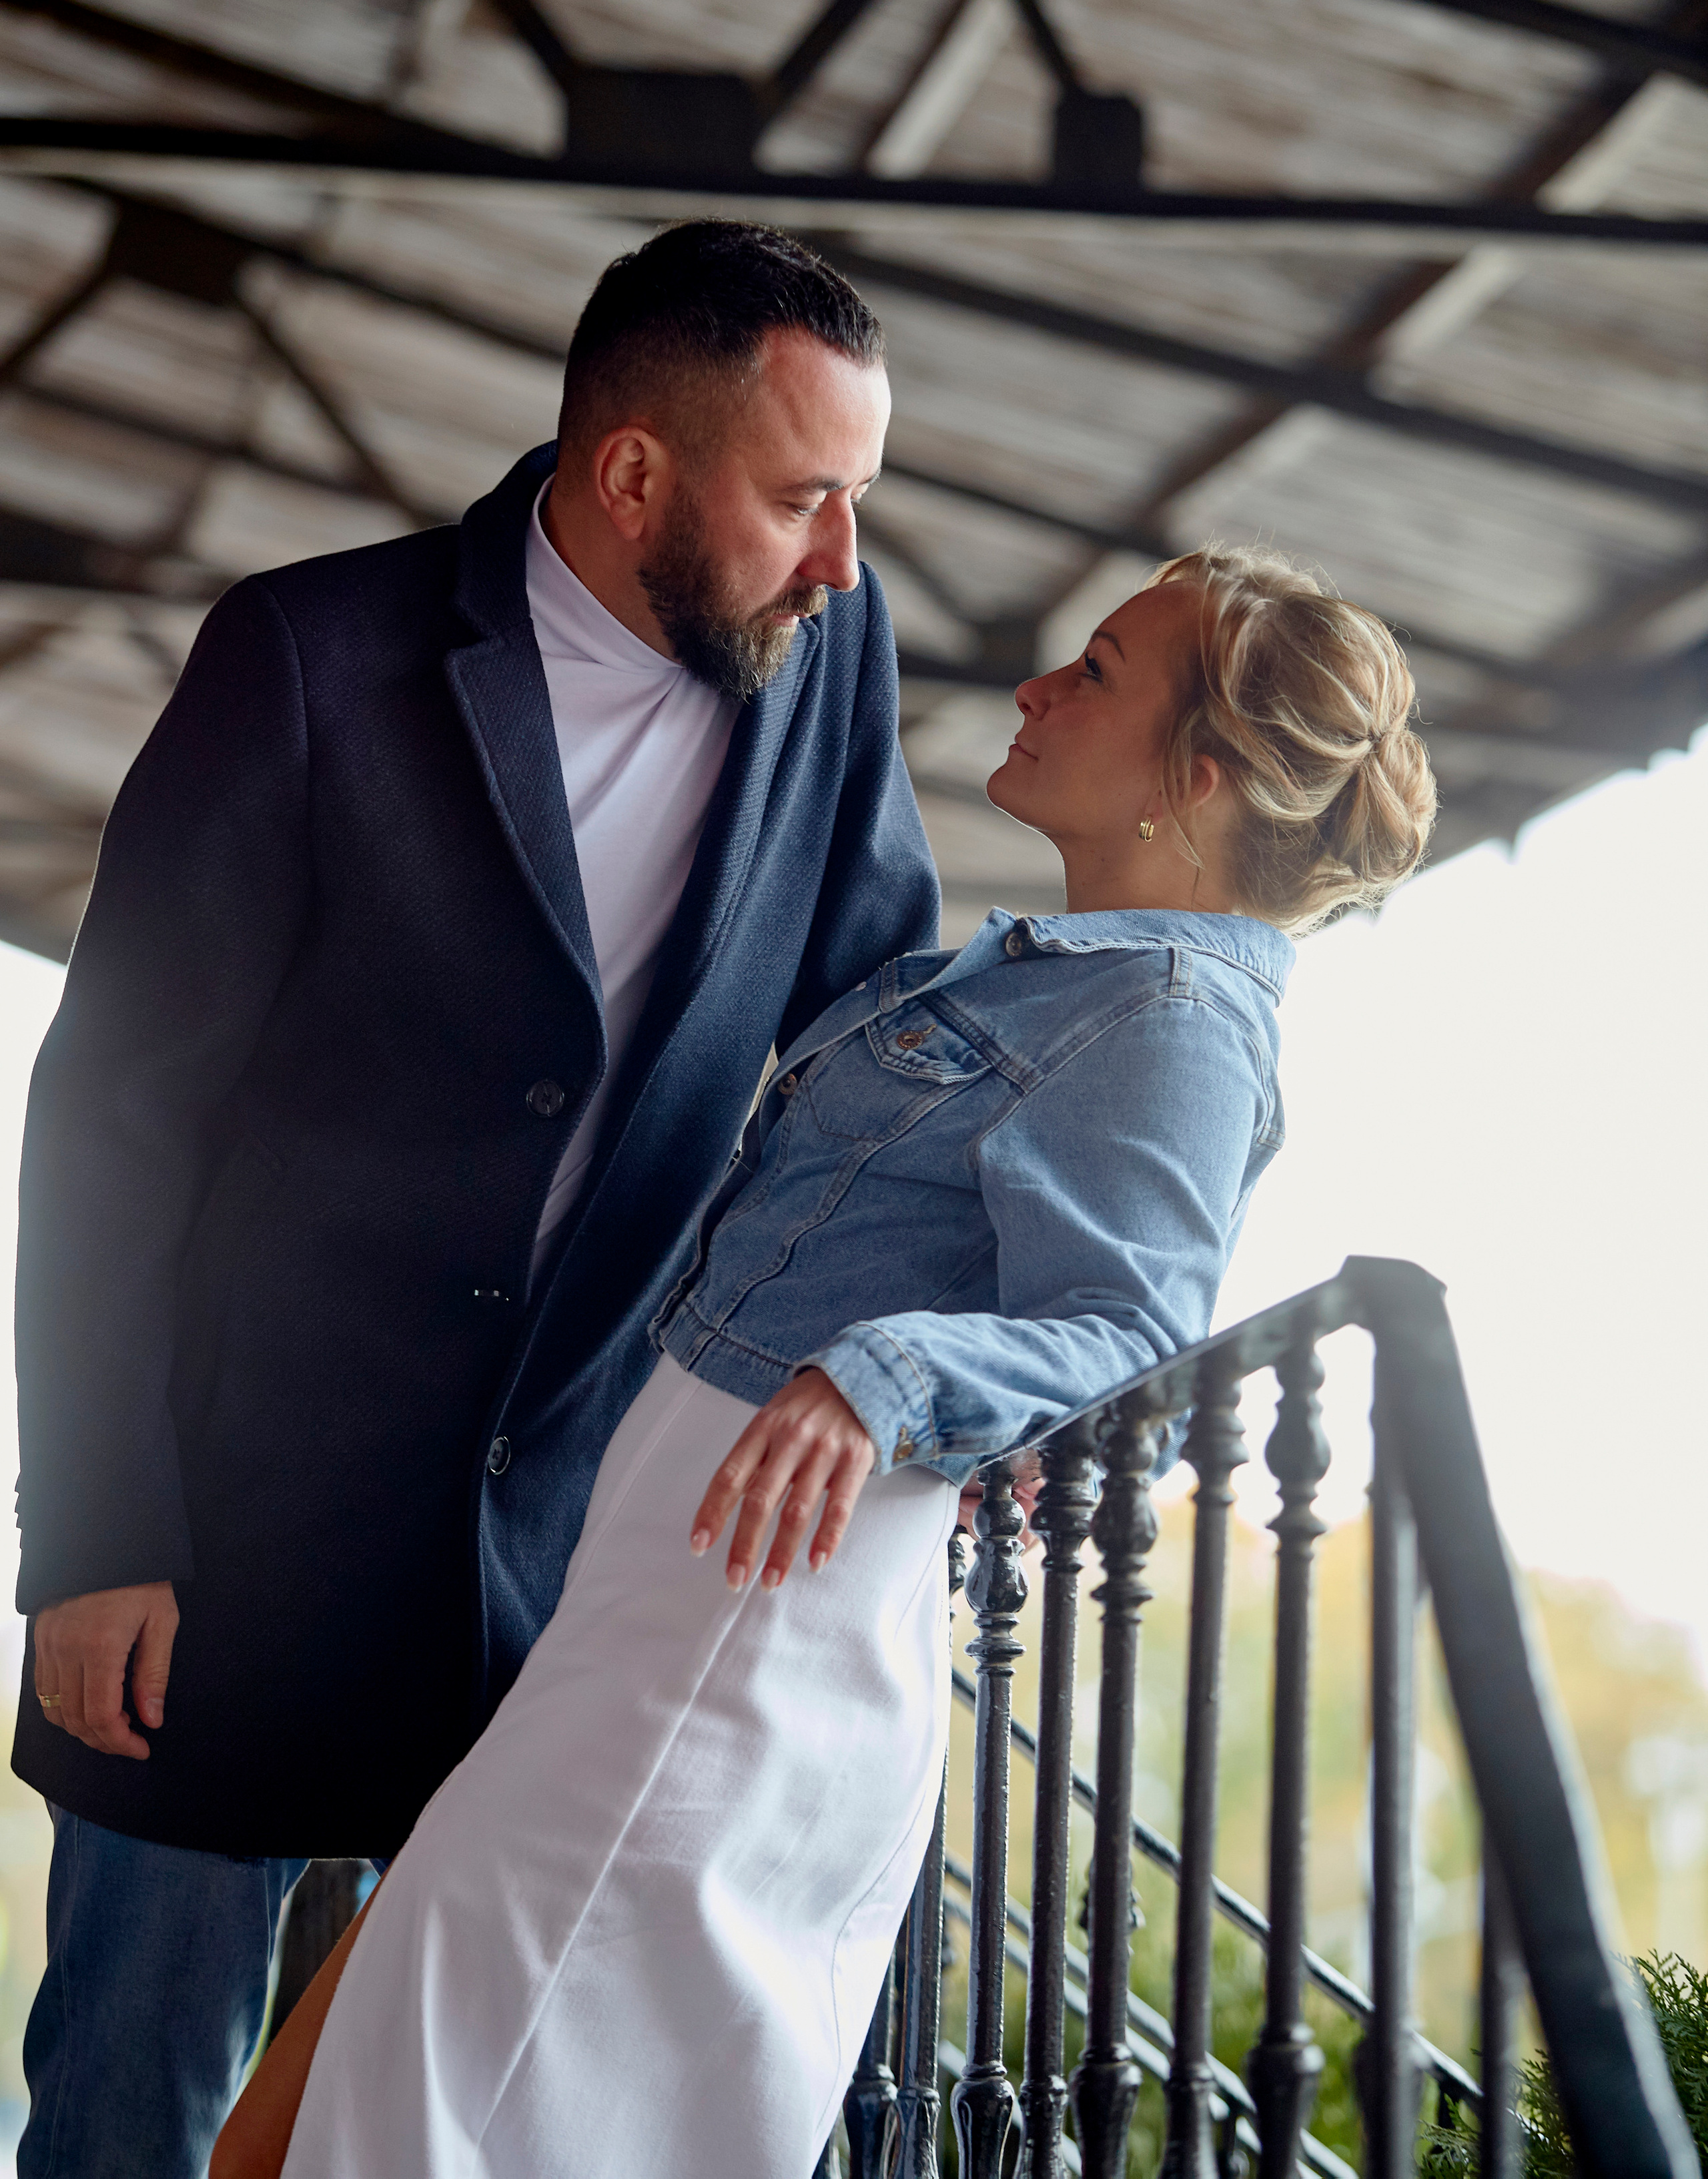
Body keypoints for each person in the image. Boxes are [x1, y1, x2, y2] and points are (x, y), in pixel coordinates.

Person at [216, 542, 1438, 2179]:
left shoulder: (1171, 1016)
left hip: (745, 1635)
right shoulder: (1049, 975)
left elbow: (1135, 1339)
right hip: (665, 1589)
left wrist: (881, 1378)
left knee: (394, 2127)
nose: (1034, 687)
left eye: (1095, 672)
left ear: (1194, 777)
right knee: (320, 2122)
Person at [11, 220, 941, 2178]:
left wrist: (940, 1360)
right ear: (633, 473)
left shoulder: (825, 664)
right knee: (133, 2116)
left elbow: (871, 1038)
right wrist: (95, 1530)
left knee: (420, 2127)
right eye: (803, 499)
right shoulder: (308, 657)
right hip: (222, 1544)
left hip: (561, 1574)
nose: (844, 562)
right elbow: (116, 1115)